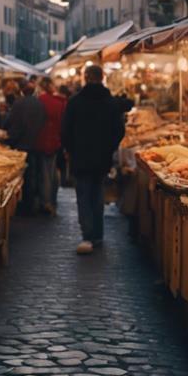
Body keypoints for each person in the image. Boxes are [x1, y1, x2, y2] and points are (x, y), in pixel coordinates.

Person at [61, 65, 124, 255]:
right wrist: (109, 148)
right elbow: (119, 130)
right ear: (102, 77)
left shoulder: (75, 102)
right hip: (102, 158)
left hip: (81, 157)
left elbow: (65, 130)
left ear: (86, 78)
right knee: (97, 195)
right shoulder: (111, 102)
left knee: (83, 196)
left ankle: (87, 235)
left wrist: (71, 150)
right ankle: (97, 235)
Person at [6, 81, 46, 216]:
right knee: (34, 173)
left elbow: (12, 122)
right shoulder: (39, 103)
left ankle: (24, 204)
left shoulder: (19, 103)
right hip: (36, 143)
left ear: (22, 91)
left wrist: (11, 137)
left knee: (23, 175)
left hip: (21, 144)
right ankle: (31, 202)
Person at [34, 78, 66, 215]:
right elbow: (62, 123)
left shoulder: (39, 101)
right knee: (52, 172)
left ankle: (46, 202)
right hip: (55, 141)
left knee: (45, 173)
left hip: (41, 141)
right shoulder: (59, 102)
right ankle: (51, 200)